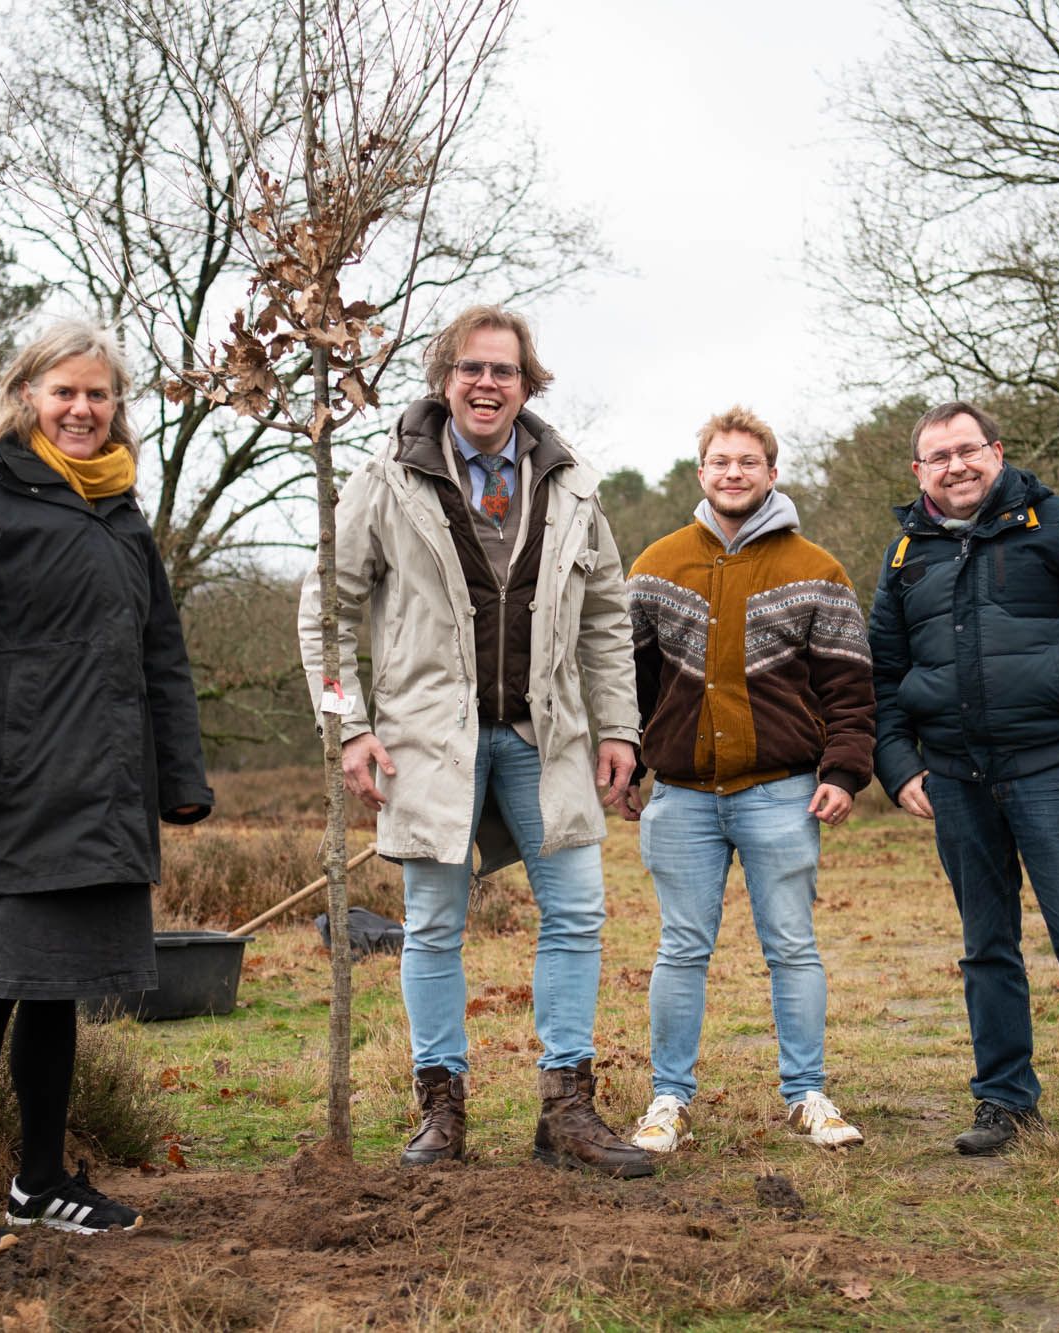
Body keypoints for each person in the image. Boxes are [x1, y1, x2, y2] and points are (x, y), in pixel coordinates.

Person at [297, 304, 653, 1179]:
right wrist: (349, 727)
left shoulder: (572, 484)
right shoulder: (386, 481)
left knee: (575, 914)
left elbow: (607, 617)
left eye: (504, 370)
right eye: (470, 369)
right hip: (430, 744)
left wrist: (618, 726)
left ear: (528, 384)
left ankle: (566, 1109)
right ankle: (441, 1108)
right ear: (443, 379)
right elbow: (328, 611)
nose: (487, 383)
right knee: (433, 925)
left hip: (549, 737)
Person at [0, 320, 213, 1250]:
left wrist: (181, 777)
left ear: (118, 409)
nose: (82, 409)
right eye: (64, 391)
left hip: (107, 788)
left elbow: (162, 649)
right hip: (13, 787)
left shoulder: (120, 512)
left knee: (56, 988)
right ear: (25, 394)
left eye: (99, 394)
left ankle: (39, 1181)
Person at [868, 401, 1059, 1174]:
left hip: (1052, 772)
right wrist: (899, 765)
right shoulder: (907, 551)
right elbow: (882, 674)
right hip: (957, 780)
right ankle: (1005, 1099)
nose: (955, 466)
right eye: (938, 456)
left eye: (967, 450)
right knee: (986, 947)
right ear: (919, 472)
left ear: (997, 452)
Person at [620, 407, 874, 1155]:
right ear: (701, 473)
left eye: (748, 461)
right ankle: (668, 1099)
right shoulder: (657, 565)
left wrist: (846, 771)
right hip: (682, 797)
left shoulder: (817, 570)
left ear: (771, 471)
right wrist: (627, 759)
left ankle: (807, 1095)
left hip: (782, 791)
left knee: (792, 946)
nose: (734, 472)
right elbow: (627, 686)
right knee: (680, 948)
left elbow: (851, 690)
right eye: (720, 461)